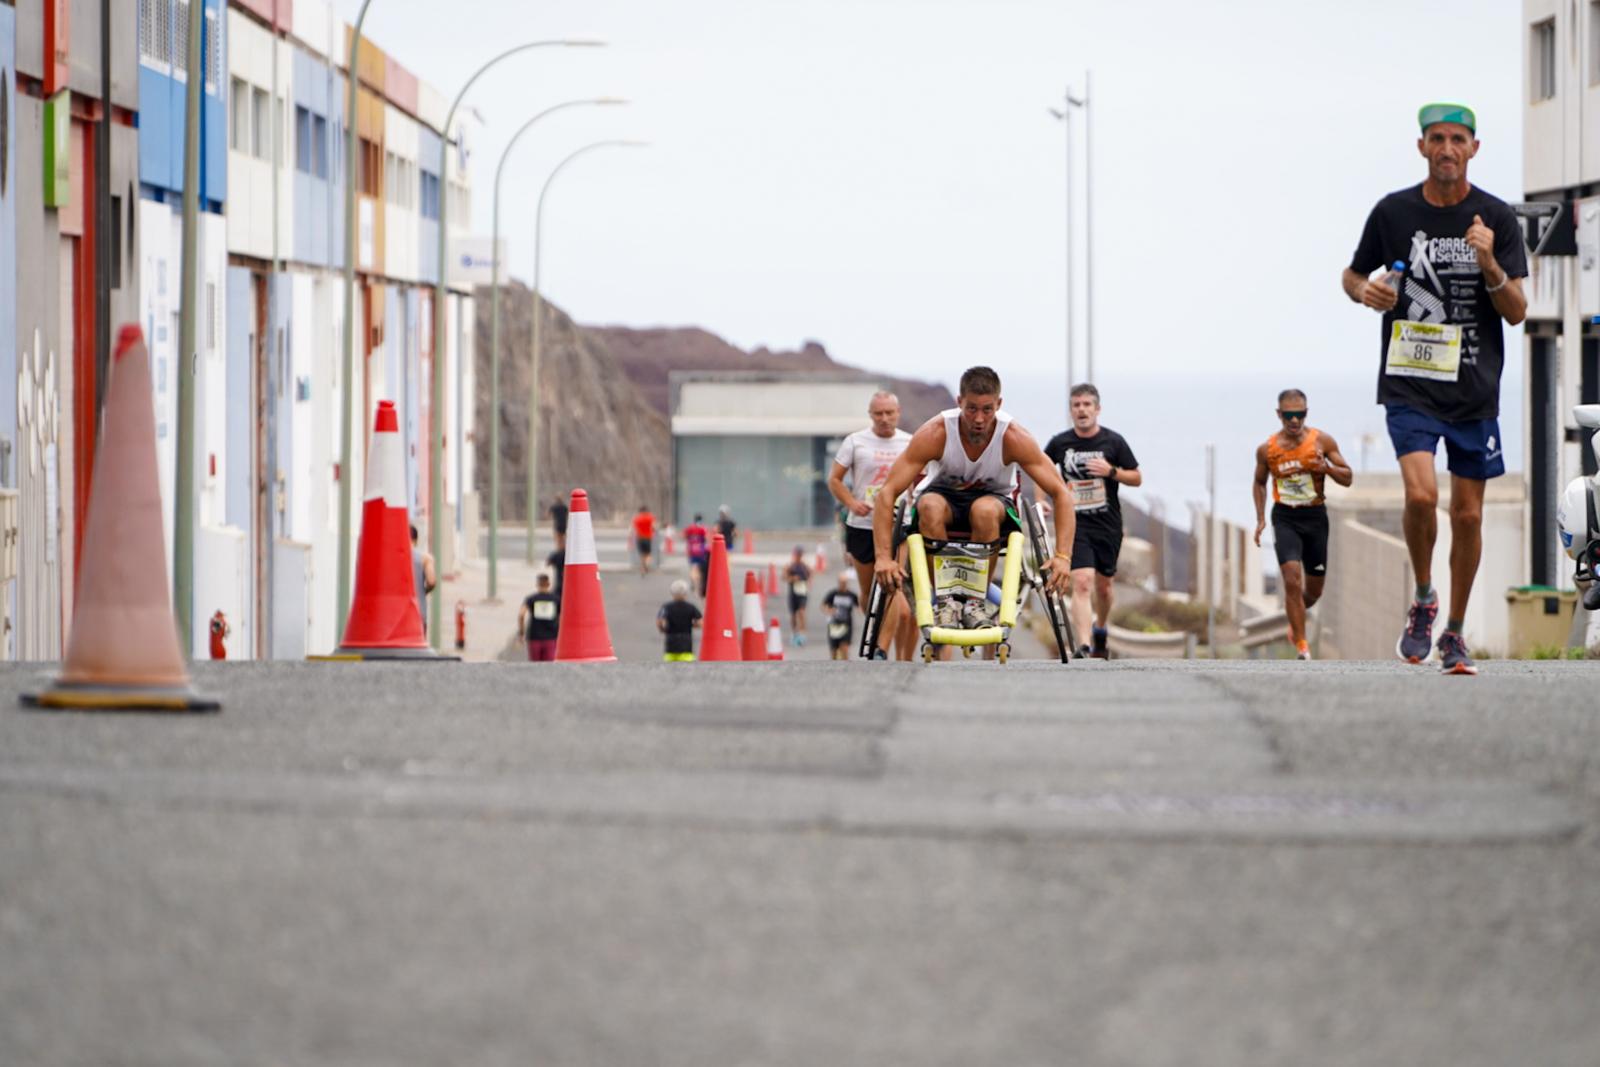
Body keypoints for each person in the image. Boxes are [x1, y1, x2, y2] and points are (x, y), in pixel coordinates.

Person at [1342, 102, 1528, 675]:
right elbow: (1352, 274)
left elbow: (1519, 311)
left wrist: (1489, 263)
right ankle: (1424, 596)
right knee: (1422, 496)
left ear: (1475, 149)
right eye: (1437, 139)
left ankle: (1453, 632)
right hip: (1410, 383)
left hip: (1474, 388)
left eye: (1458, 139)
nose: (1447, 148)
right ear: (1421, 147)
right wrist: (1364, 292)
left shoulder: (1496, 217)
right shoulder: (1392, 212)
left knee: (1468, 516)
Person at [871, 365, 1076, 630]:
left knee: (984, 510)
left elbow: (1061, 493)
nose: (979, 418)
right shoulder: (936, 433)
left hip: (993, 501)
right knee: (930, 506)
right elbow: (887, 493)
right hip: (943, 498)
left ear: (998, 405)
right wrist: (883, 558)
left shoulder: (1013, 437)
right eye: (971, 409)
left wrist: (1063, 556)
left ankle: (974, 602)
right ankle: (945, 602)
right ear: (959, 402)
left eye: (987, 409)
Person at [1252, 390, 1353, 660]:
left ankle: (1295, 618)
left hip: (1315, 518)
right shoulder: (1267, 449)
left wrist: (1327, 469)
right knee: (1291, 580)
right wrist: (1261, 518)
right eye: (1289, 415)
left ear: (1306, 413)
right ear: (1279, 414)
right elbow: (1259, 482)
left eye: (1300, 414)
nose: (1295, 421)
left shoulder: (1322, 441)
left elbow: (1348, 477)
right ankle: (1302, 644)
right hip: (1285, 517)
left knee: (1313, 592)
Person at [1045, 383, 1142, 659]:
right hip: (1075, 524)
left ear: (1097, 409)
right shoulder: (1059, 443)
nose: (1082, 410)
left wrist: (1111, 471)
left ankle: (1101, 628)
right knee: (1083, 581)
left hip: (1108, 524)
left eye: (1087, 404)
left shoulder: (1114, 442)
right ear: (1071, 411)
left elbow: (1136, 477)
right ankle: (1085, 645)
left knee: (1104, 586)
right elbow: (1041, 468)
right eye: (1076, 405)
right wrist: (1042, 498)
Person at [828, 390, 917, 660]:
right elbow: (835, 480)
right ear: (871, 415)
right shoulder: (855, 442)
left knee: (893, 586)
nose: (884, 418)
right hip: (862, 524)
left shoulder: (910, 442)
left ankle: (881, 649)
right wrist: (851, 503)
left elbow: (922, 479)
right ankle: (876, 624)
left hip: (899, 524)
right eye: (878, 413)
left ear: (898, 413)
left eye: (889, 413)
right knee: (869, 592)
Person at [657, 579, 703, 662]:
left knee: (669, 666)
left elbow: (659, 621)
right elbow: (701, 622)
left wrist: (662, 629)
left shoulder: (666, 607)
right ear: (686, 593)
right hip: (686, 642)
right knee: (687, 667)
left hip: (671, 642)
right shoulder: (691, 607)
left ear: (672, 593)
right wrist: (691, 625)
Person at [518, 573, 561, 662]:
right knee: (548, 666)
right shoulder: (556, 599)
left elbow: (521, 614)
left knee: (534, 666)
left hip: (534, 637)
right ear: (549, 584)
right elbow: (562, 617)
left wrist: (522, 632)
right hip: (551, 637)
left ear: (537, 584)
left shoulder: (531, 599)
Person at [821, 574, 860, 660]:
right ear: (839, 582)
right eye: (842, 582)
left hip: (846, 625)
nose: (843, 584)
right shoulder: (833, 594)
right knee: (834, 651)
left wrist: (861, 610)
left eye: (845, 582)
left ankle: (845, 668)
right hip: (834, 625)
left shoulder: (851, 595)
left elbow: (859, 606)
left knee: (844, 648)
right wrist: (829, 611)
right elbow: (823, 605)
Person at [409, 523, 437, 635]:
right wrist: (423, 591)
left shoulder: (390, 558)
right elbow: (431, 581)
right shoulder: (425, 558)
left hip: (394, 616)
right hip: (418, 612)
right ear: (415, 540)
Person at [785, 546, 812, 645]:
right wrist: (792, 578)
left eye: (800, 555)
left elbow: (810, 575)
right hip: (793, 592)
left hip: (802, 592)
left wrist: (809, 583)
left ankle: (802, 633)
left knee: (801, 612)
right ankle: (794, 632)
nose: (799, 557)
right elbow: (785, 577)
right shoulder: (790, 566)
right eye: (797, 555)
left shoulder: (804, 567)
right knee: (793, 614)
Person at [683, 513, 711, 597]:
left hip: (691, 549)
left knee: (693, 567)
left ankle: (693, 581)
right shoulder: (703, 528)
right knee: (700, 569)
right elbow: (706, 538)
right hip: (701, 550)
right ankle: (698, 584)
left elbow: (685, 537)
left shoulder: (689, 528)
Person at [631, 504, 656, 576]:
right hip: (648, 538)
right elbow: (653, 527)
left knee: (642, 554)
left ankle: (643, 568)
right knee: (648, 554)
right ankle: (647, 565)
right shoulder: (650, 517)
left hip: (640, 538)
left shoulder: (637, 518)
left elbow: (633, 528)